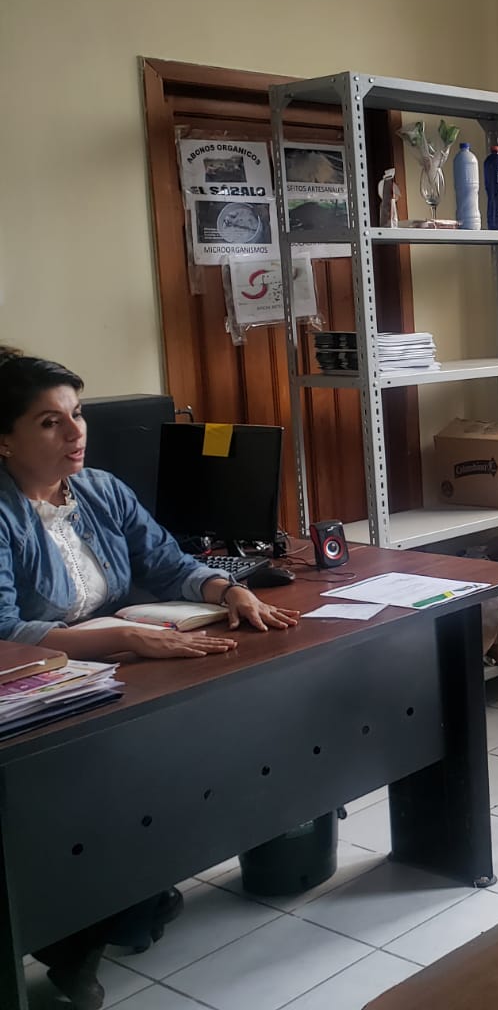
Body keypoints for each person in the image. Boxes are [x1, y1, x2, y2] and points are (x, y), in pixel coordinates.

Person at [0, 347, 299, 1008]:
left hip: (113, 676)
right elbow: (4, 633)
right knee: (114, 782)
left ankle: (134, 903)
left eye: (77, 414)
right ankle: (79, 940)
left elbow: (168, 562)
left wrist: (227, 589)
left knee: (212, 735)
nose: (75, 432)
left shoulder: (101, 490)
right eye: (50, 422)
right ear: (5, 440)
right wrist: (127, 637)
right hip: (36, 692)